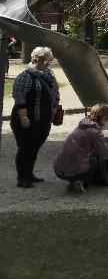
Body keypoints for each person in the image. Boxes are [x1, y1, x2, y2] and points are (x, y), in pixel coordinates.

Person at [10, 46, 61, 188]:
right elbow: (19, 97)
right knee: (25, 148)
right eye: (45, 60)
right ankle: (22, 178)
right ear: (36, 59)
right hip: (25, 119)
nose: (48, 62)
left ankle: (29, 174)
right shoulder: (25, 76)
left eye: (49, 60)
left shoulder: (49, 75)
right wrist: (24, 117)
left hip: (43, 120)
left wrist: (54, 108)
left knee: (34, 148)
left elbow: (55, 94)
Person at [53, 104, 108, 193]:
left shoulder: (83, 125)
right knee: (95, 159)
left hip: (59, 169)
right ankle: (79, 180)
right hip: (75, 170)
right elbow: (105, 153)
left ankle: (73, 181)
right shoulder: (95, 132)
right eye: (107, 118)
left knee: (85, 156)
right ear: (103, 117)